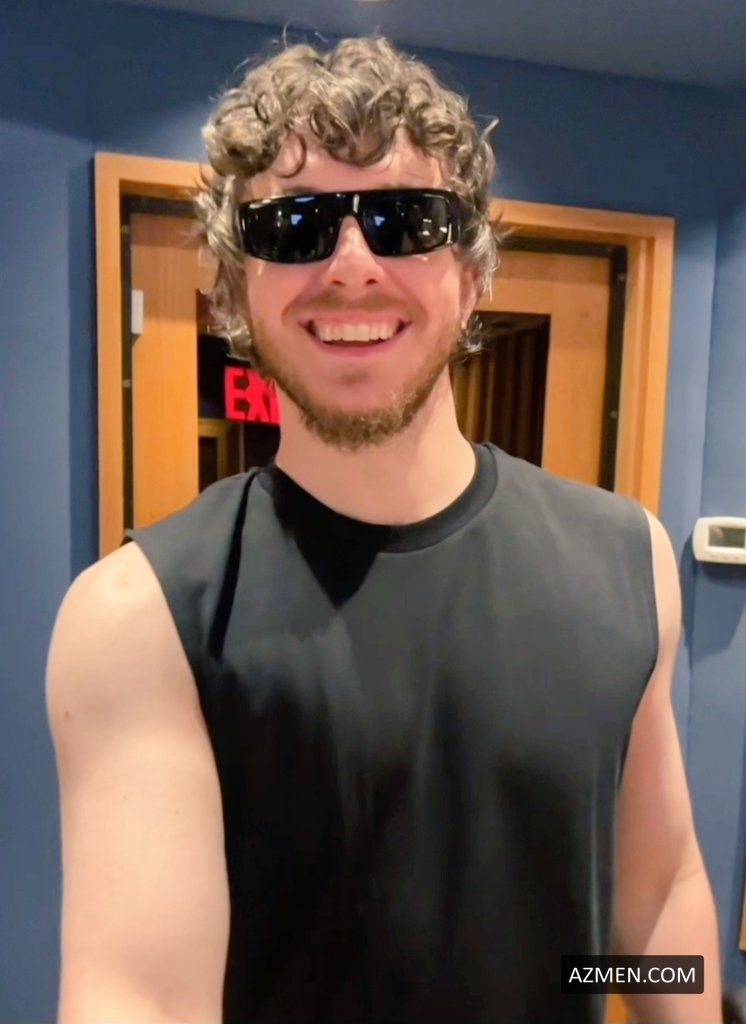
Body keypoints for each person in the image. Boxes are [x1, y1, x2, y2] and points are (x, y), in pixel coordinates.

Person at [46, 35, 722, 1024]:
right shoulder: (141, 618)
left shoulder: (629, 561)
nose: (353, 266)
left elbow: (654, 903)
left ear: (472, 276)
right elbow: (140, 998)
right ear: (235, 289)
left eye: (407, 221)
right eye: (294, 226)